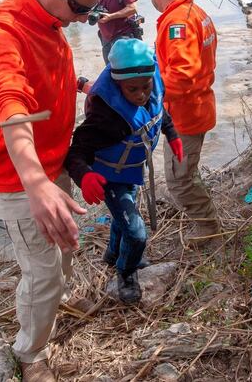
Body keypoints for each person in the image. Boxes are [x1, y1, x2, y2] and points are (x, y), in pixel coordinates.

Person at [0, 0, 110, 382]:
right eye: (79, 10)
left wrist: (85, 85)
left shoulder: (50, 16)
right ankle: (30, 352)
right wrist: (35, 182)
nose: (83, 20)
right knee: (43, 273)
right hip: (20, 177)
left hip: (54, 165)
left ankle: (56, 305)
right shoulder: (2, 32)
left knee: (66, 248)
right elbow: (11, 104)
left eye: (91, 12)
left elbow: (48, 75)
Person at [65, 39, 183, 304]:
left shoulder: (149, 87)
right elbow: (76, 150)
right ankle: (126, 273)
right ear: (118, 85)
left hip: (130, 171)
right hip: (108, 177)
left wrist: (172, 134)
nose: (141, 94)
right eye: (133, 90)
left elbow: (157, 112)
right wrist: (85, 176)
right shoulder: (107, 116)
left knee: (122, 218)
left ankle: (112, 253)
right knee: (136, 232)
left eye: (146, 86)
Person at [146, 0, 219, 247]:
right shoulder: (195, 12)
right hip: (196, 107)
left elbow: (182, 74)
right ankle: (205, 218)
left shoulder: (178, 23)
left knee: (179, 181)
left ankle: (208, 226)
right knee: (186, 171)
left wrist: (148, 94)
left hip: (187, 115)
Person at [94, 0, 141, 64]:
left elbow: (133, 8)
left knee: (127, 71)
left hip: (124, 36)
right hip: (106, 39)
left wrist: (111, 16)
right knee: (111, 71)